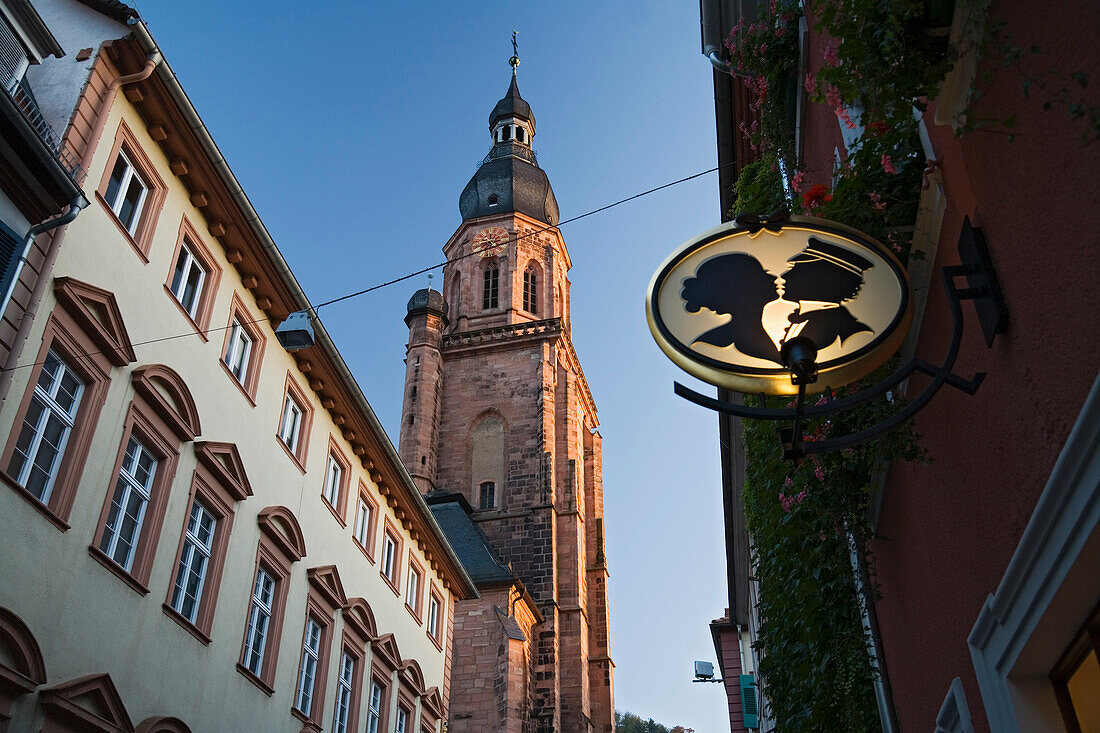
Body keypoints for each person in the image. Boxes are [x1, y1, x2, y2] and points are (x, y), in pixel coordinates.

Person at [680, 252, 783, 365]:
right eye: (761, 274)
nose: (773, 277)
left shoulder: (769, 331)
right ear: (743, 289)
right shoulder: (709, 347)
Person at [779, 237, 874, 351]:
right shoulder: (800, 320)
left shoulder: (851, 335)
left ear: (820, 279)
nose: (784, 276)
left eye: (796, 269)